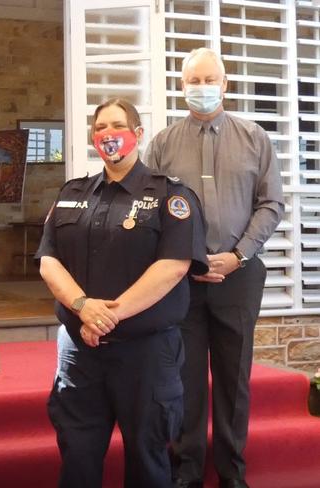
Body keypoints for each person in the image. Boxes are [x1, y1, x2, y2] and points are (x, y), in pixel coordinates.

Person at [36, 98, 208, 488]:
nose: (107, 135)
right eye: (100, 128)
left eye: (117, 125)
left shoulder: (171, 197)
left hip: (145, 353)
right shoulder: (72, 192)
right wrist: (82, 306)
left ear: (138, 134)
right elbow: (48, 260)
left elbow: (173, 267)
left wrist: (107, 315)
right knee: (77, 454)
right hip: (81, 353)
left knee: (148, 459)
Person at [144, 48, 284, 488]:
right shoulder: (164, 143)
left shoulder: (255, 138)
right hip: (181, 282)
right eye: (193, 80)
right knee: (183, 381)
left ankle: (231, 473)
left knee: (233, 380)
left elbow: (271, 203)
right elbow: (151, 209)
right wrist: (185, 257)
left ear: (225, 85)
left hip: (239, 278)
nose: (201, 88)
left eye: (210, 80)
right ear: (181, 86)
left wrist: (239, 254)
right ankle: (186, 471)